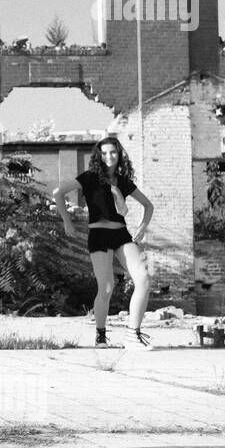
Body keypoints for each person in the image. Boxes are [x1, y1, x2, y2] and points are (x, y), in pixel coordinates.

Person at [54, 136, 155, 349]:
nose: (109, 156)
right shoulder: (90, 177)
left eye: (113, 152)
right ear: (99, 156)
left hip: (122, 235)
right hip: (98, 235)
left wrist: (142, 227)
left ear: (119, 155)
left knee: (144, 279)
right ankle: (100, 335)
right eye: (105, 153)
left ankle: (132, 334)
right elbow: (58, 193)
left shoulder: (123, 181)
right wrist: (67, 221)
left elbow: (148, 206)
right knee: (106, 288)